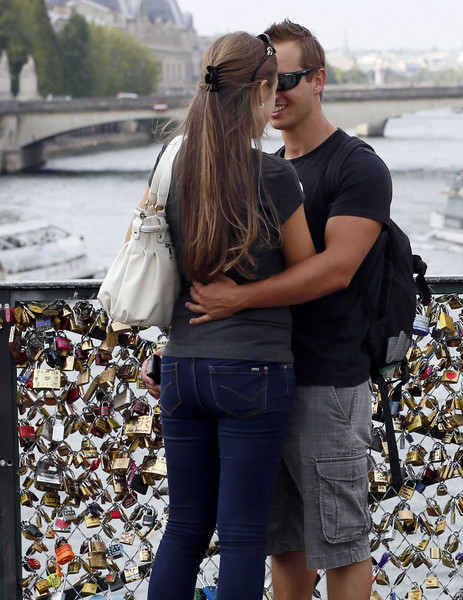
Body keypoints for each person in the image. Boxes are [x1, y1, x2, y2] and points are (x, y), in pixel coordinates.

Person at [145, 18, 390, 600]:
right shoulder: (270, 173)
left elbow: (338, 269)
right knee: (267, 538)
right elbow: (311, 261)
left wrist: (234, 296)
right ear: (252, 91)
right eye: (268, 82)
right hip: (262, 376)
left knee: (327, 542)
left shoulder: (354, 166)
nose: (277, 94)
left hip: (311, 379)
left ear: (319, 80)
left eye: (289, 79)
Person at [137, 31, 316, 600]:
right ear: (262, 92)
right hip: (253, 369)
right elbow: (306, 273)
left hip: (182, 367)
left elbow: (146, 253)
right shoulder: (273, 175)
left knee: (184, 528)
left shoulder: (174, 165)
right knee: (240, 536)